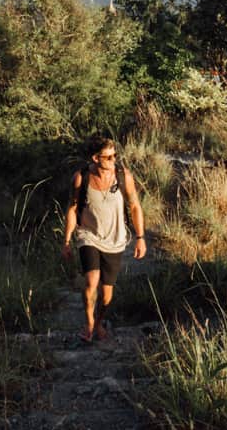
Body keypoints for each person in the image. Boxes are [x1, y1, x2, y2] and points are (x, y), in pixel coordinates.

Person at [61, 137, 146, 342]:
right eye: (108, 157)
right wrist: (66, 240)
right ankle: (89, 323)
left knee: (107, 294)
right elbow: (72, 208)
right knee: (91, 281)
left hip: (115, 239)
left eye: (115, 155)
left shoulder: (123, 176)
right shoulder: (81, 178)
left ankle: (98, 325)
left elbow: (135, 206)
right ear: (95, 158)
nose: (113, 160)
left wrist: (140, 237)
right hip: (88, 236)